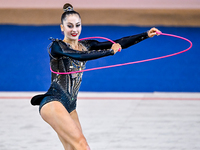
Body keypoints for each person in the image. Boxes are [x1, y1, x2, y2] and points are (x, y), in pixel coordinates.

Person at [31, 3, 161, 150]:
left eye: (77, 25)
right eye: (69, 26)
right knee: (83, 146)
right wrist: (109, 52)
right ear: (62, 27)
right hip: (53, 102)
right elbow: (79, 56)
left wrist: (145, 35)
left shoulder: (87, 44)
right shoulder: (57, 46)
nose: (74, 30)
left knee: (73, 148)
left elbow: (118, 42)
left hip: (70, 106)